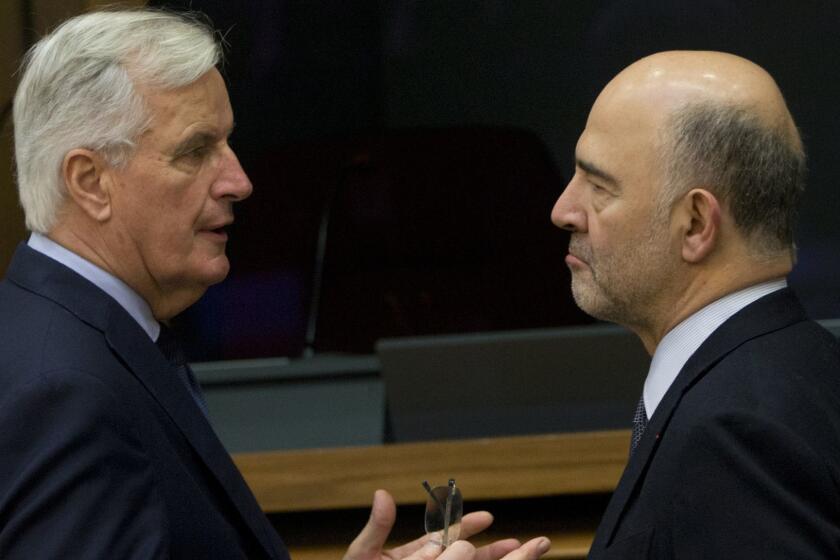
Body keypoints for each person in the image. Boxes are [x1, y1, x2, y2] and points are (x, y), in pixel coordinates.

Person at [0, 8, 552, 560]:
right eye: (196, 151)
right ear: (90, 182)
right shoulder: (64, 388)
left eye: (228, 144)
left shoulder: (89, 335)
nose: (238, 181)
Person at [551, 50, 840, 558]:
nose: (563, 211)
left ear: (695, 224)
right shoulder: (810, 366)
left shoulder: (732, 437)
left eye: (599, 186)